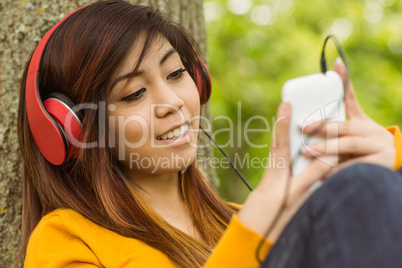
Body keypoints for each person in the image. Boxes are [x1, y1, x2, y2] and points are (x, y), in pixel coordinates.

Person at [16, 1, 402, 267]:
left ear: (198, 79)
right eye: (133, 93)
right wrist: (253, 230)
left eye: (176, 74)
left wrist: (393, 163)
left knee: (361, 184)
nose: (172, 102)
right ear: (74, 129)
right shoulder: (67, 240)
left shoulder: (244, 219)